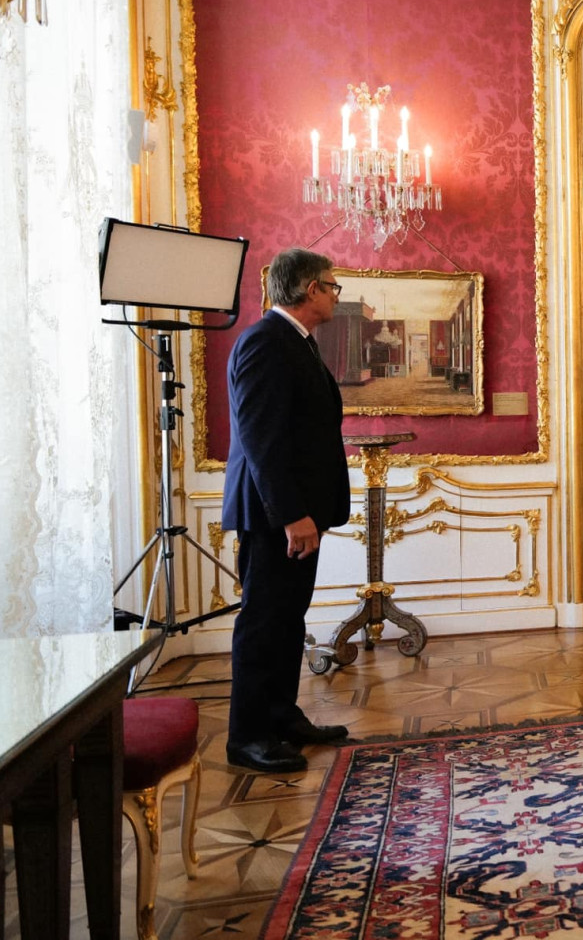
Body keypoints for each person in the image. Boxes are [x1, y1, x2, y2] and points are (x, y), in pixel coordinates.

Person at [221, 248, 352, 773]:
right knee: (263, 623)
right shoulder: (265, 342)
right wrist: (292, 515)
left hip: (297, 514)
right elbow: (261, 440)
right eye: (332, 285)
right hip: (275, 516)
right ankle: (248, 737)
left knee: (286, 619)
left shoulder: (294, 342)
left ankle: (281, 717)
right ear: (307, 289)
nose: (336, 294)